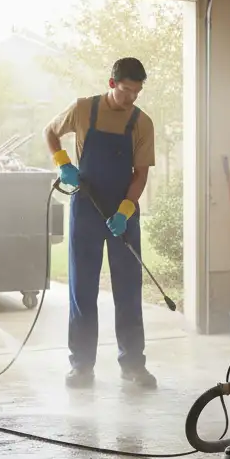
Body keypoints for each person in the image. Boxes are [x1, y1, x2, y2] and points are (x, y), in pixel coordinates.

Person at [45, 57, 157, 389]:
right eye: (126, 90)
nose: (131, 98)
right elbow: (50, 132)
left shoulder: (141, 122)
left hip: (123, 210)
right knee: (82, 289)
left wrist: (125, 210)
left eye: (137, 92)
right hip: (86, 208)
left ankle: (133, 364)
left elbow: (140, 174)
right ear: (111, 84)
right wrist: (63, 162)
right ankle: (81, 366)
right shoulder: (83, 109)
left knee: (128, 289)